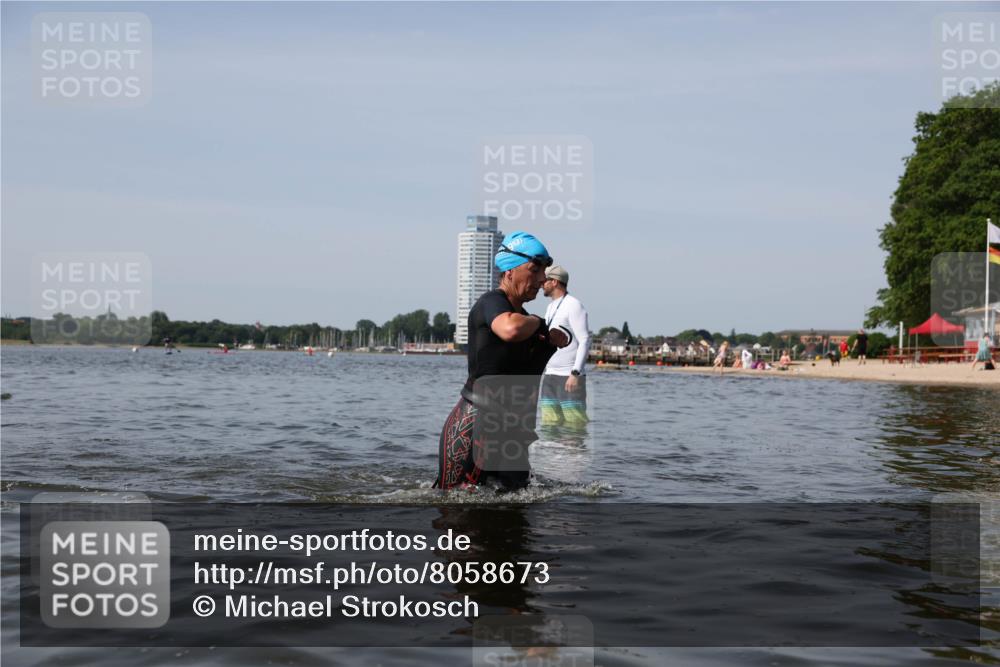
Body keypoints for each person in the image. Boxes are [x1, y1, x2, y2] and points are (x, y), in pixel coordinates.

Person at [435, 232, 570, 491]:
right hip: (475, 429)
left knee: (515, 516)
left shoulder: (526, 320)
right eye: (535, 270)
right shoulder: (491, 303)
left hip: (511, 435)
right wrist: (541, 323)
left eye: (544, 272)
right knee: (460, 517)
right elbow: (509, 329)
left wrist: (556, 338)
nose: (542, 279)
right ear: (509, 271)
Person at [539, 265, 591, 429]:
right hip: (550, 376)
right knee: (549, 425)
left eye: (544, 281)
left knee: (574, 426)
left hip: (569, 377)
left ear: (554, 282)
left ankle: (574, 455)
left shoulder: (573, 305)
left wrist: (575, 373)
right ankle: (552, 455)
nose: (541, 284)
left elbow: (585, 339)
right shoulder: (550, 307)